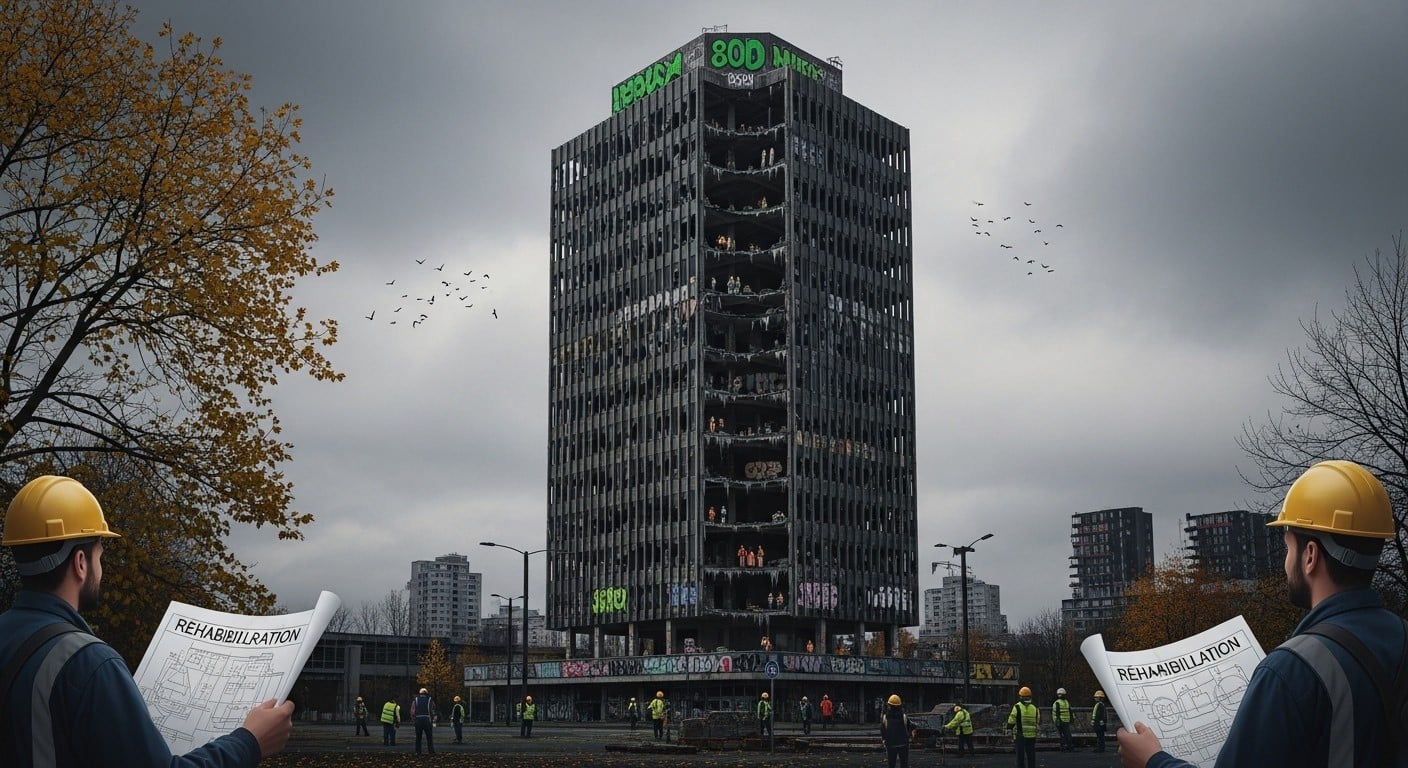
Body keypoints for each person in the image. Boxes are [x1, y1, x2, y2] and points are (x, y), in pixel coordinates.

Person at [1117, 459, 1408, 768]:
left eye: (1288, 549)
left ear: (1310, 556)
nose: (1286, 563)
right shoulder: (1401, 637)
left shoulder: (1291, 670)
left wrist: (1152, 761)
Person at [0, 475, 295, 768]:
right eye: (100, 557)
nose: (100, 571)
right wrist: (250, 742)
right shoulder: (88, 663)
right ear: (80, 563)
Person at [1007, 686, 1039, 768]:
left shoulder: (1017, 707)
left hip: (1020, 735)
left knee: (1020, 757)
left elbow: (1012, 719)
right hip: (1032, 736)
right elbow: (1038, 721)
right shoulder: (1035, 708)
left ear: (1021, 696)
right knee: (1031, 756)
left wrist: (1009, 728)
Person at [879, 694, 912, 768]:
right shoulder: (904, 717)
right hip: (903, 744)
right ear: (900, 705)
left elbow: (882, 730)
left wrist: (884, 740)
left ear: (889, 705)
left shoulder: (885, 717)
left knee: (891, 764)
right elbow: (909, 728)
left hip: (890, 745)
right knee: (904, 764)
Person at [411, 687, 435, 753]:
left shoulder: (416, 700)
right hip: (427, 720)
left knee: (418, 737)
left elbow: (412, 711)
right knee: (429, 737)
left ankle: (418, 751)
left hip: (418, 720)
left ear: (420, 693)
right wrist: (432, 719)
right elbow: (432, 710)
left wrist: (414, 719)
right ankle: (431, 751)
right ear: (426, 693)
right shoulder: (430, 700)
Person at [1051, 687, 1074, 752]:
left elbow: (1068, 711)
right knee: (1066, 734)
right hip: (1063, 721)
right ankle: (1068, 747)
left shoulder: (1060, 702)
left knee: (1063, 735)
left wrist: (1057, 720)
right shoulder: (1063, 702)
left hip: (1063, 721)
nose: (1060, 695)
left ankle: (1065, 746)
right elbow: (1068, 711)